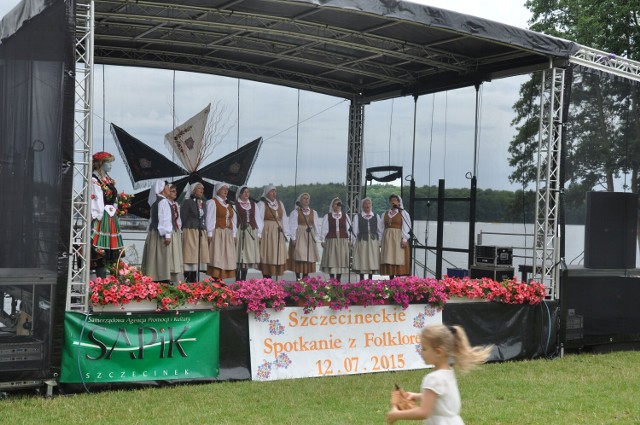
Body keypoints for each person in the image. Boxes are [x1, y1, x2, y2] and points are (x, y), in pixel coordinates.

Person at [386, 324, 492, 425]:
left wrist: (397, 414)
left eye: (424, 348)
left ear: (438, 352)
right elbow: (440, 397)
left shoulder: (433, 378)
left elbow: (423, 412)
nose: (421, 352)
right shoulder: (448, 372)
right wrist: (416, 396)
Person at [90, 151, 124, 278]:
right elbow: (96, 200)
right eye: (108, 163)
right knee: (101, 249)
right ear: (100, 164)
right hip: (102, 216)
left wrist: (117, 208)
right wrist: (99, 216)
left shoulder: (107, 179)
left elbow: (113, 198)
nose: (110, 166)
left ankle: (111, 279)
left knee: (111, 249)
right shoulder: (94, 179)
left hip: (111, 216)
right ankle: (101, 279)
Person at [141, 180, 173, 282]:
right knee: (161, 256)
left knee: (153, 256)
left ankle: (152, 276)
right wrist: (167, 235)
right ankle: (162, 278)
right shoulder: (163, 201)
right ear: (163, 188)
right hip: (160, 233)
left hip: (153, 232)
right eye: (167, 187)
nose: (169, 189)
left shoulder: (155, 201)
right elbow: (165, 219)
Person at [205, 182, 237, 279]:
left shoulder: (229, 204)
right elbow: (209, 218)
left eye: (226, 189)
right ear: (217, 190)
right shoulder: (212, 202)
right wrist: (210, 232)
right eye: (223, 189)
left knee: (226, 256)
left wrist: (234, 234)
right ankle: (215, 279)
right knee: (217, 255)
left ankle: (221, 279)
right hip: (218, 232)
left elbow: (234, 220)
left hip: (227, 233)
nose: (226, 191)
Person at [256, 184, 288, 279]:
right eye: (272, 191)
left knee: (277, 254)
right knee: (268, 253)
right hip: (267, 231)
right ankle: (266, 277)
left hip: (278, 231)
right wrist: (259, 233)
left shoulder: (280, 203)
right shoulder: (262, 204)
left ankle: (275, 280)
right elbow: (259, 219)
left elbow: (284, 219)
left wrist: (285, 233)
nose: (274, 193)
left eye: (275, 191)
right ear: (267, 193)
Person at [180, 181, 209, 282]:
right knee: (189, 256)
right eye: (199, 188)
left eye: (202, 189)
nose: (202, 190)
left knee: (197, 256)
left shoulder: (203, 204)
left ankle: (194, 279)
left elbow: (204, 218)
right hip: (190, 231)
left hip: (200, 232)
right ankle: (188, 279)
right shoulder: (188, 202)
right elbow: (183, 217)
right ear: (193, 190)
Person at [287, 192, 320, 279]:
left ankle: (305, 277)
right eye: (304, 198)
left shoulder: (314, 212)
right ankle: (298, 278)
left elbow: (316, 226)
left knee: (308, 257)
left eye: (307, 198)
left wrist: (315, 237)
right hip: (299, 236)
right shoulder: (295, 212)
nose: (306, 200)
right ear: (300, 201)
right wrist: (293, 238)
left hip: (309, 236)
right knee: (299, 256)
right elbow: (292, 226)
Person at [320, 197, 351, 282]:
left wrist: (350, 239)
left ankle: (338, 279)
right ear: (332, 206)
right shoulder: (328, 216)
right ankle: (332, 279)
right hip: (331, 239)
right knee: (332, 259)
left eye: (339, 204)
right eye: (335, 204)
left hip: (342, 240)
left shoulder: (345, 216)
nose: (337, 206)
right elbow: (324, 229)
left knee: (340, 259)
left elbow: (348, 228)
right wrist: (322, 240)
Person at [380, 194, 411, 278]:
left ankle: (397, 280)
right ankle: (391, 279)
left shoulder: (403, 213)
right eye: (392, 200)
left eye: (395, 200)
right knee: (389, 257)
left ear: (399, 202)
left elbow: (407, 226)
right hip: (387, 239)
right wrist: (380, 240)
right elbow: (380, 228)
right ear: (390, 202)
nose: (394, 201)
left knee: (397, 257)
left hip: (398, 238)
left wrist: (404, 239)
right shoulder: (385, 214)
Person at [352, 197, 383, 281]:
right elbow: (354, 231)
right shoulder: (357, 217)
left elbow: (380, 230)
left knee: (372, 258)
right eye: (365, 203)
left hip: (373, 241)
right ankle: (362, 279)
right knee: (362, 258)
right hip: (362, 240)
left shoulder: (376, 216)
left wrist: (379, 241)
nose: (367, 205)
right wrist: (354, 242)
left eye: (369, 203)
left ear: (371, 205)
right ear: (362, 205)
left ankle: (370, 279)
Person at [235, 185, 262, 281]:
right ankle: (238, 278)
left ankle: (243, 278)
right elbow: (234, 220)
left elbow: (258, 219)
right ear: (240, 194)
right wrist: (234, 234)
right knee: (239, 255)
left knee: (246, 256)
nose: (247, 194)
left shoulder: (253, 204)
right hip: (240, 231)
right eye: (244, 192)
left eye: (248, 192)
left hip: (251, 231)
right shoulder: (236, 204)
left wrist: (259, 233)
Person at [166, 184, 184, 283]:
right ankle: (168, 276)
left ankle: (174, 277)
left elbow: (179, 218)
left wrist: (179, 229)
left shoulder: (176, 204)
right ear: (168, 192)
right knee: (170, 254)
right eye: (173, 191)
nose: (175, 193)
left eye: (175, 191)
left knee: (175, 254)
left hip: (176, 230)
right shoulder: (165, 203)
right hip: (169, 231)